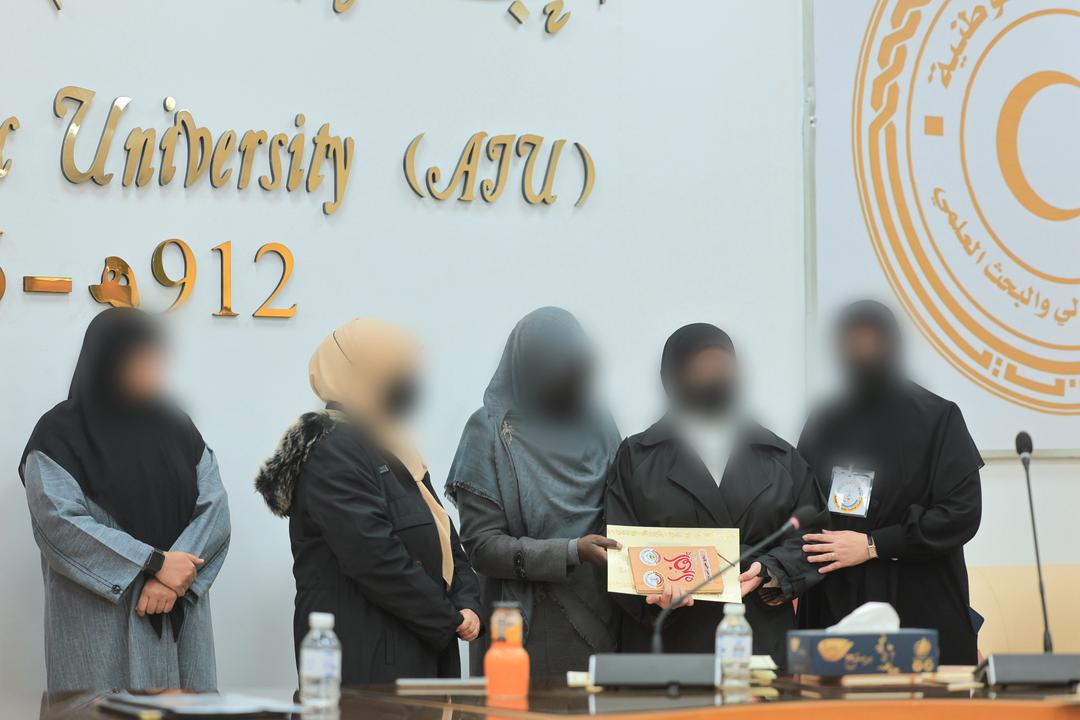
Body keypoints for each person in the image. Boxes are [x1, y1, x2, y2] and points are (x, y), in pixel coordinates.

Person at [255, 318, 483, 684]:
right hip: (368, 660)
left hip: (420, 644)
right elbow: (374, 555)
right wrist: (447, 617)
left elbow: (443, 537)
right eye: (395, 371)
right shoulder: (331, 450)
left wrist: (468, 601)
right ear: (358, 373)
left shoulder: (393, 444)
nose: (406, 382)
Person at [19, 308, 231, 692]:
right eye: (141, 358)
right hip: (101, 628)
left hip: (180, 620)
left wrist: (172, 581)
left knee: (188, 710)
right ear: (107, 361)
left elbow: (214, 508)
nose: (154, 369)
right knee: (105, 712)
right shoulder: (59, 435)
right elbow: (59, 523)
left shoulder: (177, 427)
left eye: (157, 357)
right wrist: (153, 563)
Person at [605, 323, 826, 664]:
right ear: (672, 377)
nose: (714, 377)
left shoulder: (779, 455)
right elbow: (616, 547)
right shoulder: (635, 457)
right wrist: (652, 596)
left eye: (722, 366)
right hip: (669, 640)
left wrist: (772, 570)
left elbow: (814, 534)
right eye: (702, 367)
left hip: (757, 637)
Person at [796, 300, 983, 664]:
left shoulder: (938, 418)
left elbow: (961, 513)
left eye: (873, 342)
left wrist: (873, 544)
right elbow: (800, 507)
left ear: (894, 344)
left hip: (919, 601)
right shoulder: (825, 422)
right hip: (836, 605)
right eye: (854, 343)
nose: (864, 352)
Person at [445, 307, 621, 678]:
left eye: (580, 374)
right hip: (522, 627)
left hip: (600, 618)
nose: (573, 386)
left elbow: (623, 511)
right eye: (562, 374)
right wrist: (571, 551)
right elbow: (483, 546)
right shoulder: (488, 431)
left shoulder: (599, 424)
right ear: (530, 369)